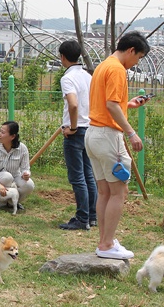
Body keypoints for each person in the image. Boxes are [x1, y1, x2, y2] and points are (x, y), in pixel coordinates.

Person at [85, 31, 151, 260]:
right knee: (119, 191)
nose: (136, 63)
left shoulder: (104, 65)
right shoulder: (117, 70)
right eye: (139, 57)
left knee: (104, 192)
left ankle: (105, 241)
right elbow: (111, 104)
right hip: (108, 137)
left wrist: (128, 105)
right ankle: (106, 244)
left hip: (92, 134)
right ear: (131, 50)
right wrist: (131, 133)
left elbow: (110, 104)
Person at [58, 40, 97, 231]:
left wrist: (72, 128)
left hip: (76, 131)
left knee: (77, 177)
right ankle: (92, 215)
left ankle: (82, 218)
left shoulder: (67, 78)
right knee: (88, 174)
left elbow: (73, 104)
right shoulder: (87, 76)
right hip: (89, 128)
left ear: (62, 56)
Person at [0, 121, 35, 210]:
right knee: (7, 176)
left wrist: (26, 174)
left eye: (3, 132)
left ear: (12, 136)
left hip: (15, 177)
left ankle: (13, 202)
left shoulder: (22, 148)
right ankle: (0, 201)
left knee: (29, 184)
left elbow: (25, 168)